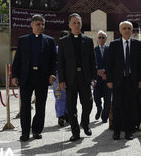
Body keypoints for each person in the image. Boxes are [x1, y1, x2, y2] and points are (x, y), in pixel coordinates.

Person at [12, 14, 57, 142]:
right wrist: (14, 75)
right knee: (25, 106)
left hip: (42, 77)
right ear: (32, 25)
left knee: (40, 105)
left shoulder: (50, 40)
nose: (41, 26)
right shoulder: (23, 40)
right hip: (26, 77)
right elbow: (18, 59)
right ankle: (25, 132)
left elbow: (54, 60)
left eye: (42, 24)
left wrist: (52, 73)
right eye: (38, 24)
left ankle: (37, 130)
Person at [58, 13, 97, 142]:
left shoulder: (88, 40)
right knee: (71, 106)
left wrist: (93, 76)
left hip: (84, 77)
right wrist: (62, 80)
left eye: (78, 22)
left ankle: (85, 123)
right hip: (70, 78)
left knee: (88, 103)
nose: (76, 25)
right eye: (74, 23)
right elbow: (61, 62)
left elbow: (92, 60)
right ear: (69, 25)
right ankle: (75, 132)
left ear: (81, 24)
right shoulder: (63, 41)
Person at [106, 21, 141, 140]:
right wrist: (109, 80)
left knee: (130, 106)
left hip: (132, 80)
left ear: (132, 30)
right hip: (118, 81)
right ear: (120, 30)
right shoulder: (113, 45)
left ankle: (129, 131)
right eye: (124, 28)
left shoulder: (137, 44)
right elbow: (110, 64)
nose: (127, 30)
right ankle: (117, 131)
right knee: (117, 106)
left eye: (129, 28)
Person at [93, 30, 111, 123]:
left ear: (106, 39)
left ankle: (105, 116)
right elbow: (90, 64)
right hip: (97, 79)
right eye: (99, 37)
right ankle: (99, 108)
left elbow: (113, 63)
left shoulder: (110, 49)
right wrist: (97, 72)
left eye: (103, 37)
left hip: (108, 79)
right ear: (97, 39)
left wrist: (106, 72)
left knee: (107, 99)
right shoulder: (93, 50)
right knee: (96, 96)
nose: (101, 39)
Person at [53, 30, 69, 127]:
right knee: (59, 96)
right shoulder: (56, 49)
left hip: (70, 75)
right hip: (59, 76)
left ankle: (68, 114)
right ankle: (61, 116)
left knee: (69, 96)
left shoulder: (72, 48)